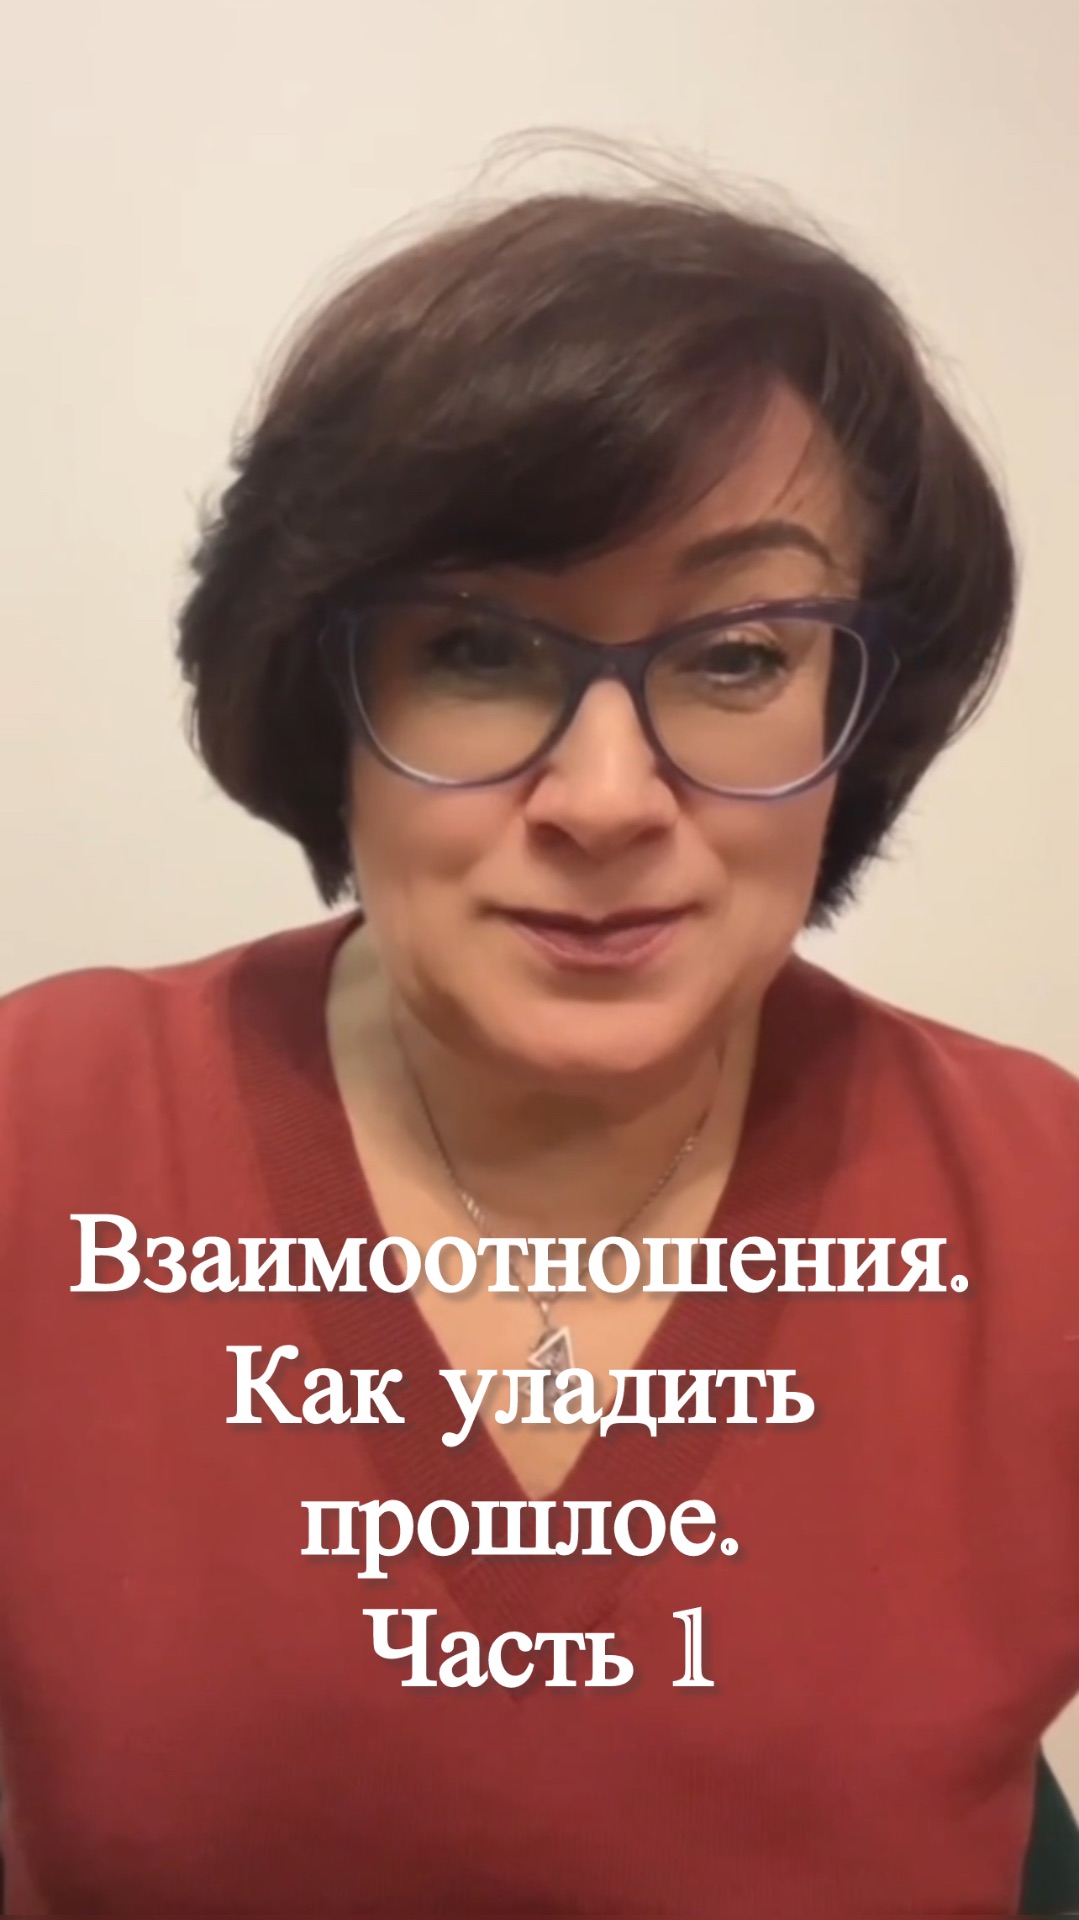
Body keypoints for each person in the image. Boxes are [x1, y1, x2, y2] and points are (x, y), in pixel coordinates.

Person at [0, 168, 1077, 1919]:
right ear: (331, 698)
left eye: (740, 656)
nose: (604, 798)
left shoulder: (1039, 1215)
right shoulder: (43, 1138)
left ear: (859, 709)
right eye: (480, 649)